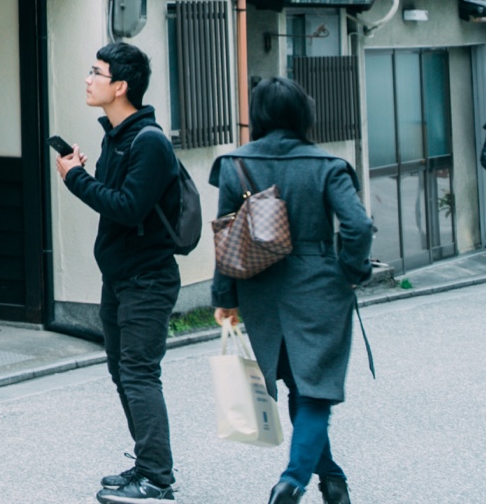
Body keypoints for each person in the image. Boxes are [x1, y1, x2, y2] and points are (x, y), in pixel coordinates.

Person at [211, 77, 373, 504]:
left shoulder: (234, 164)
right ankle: (293, 481)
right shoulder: (326, 165)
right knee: (315, 389)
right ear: (303, 113)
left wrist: (224, 299)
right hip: (319, 288)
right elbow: (357, 226)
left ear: (258, 115)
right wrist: (351, 272)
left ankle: (332, 480)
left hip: (260, 291)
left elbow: (226, 239)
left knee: (298, 386)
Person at [56, 42, 181, 503]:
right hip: (121, 276)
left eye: (97, 72)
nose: (89, 79)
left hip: (147, 278)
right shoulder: (117, 137)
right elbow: (116, 198)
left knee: (139, 373)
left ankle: (157, 480)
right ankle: (147, 465)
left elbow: (129, 209)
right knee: (123, 371)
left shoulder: (148, 142)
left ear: (121, 86)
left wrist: (75, 180)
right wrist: (86, 175)